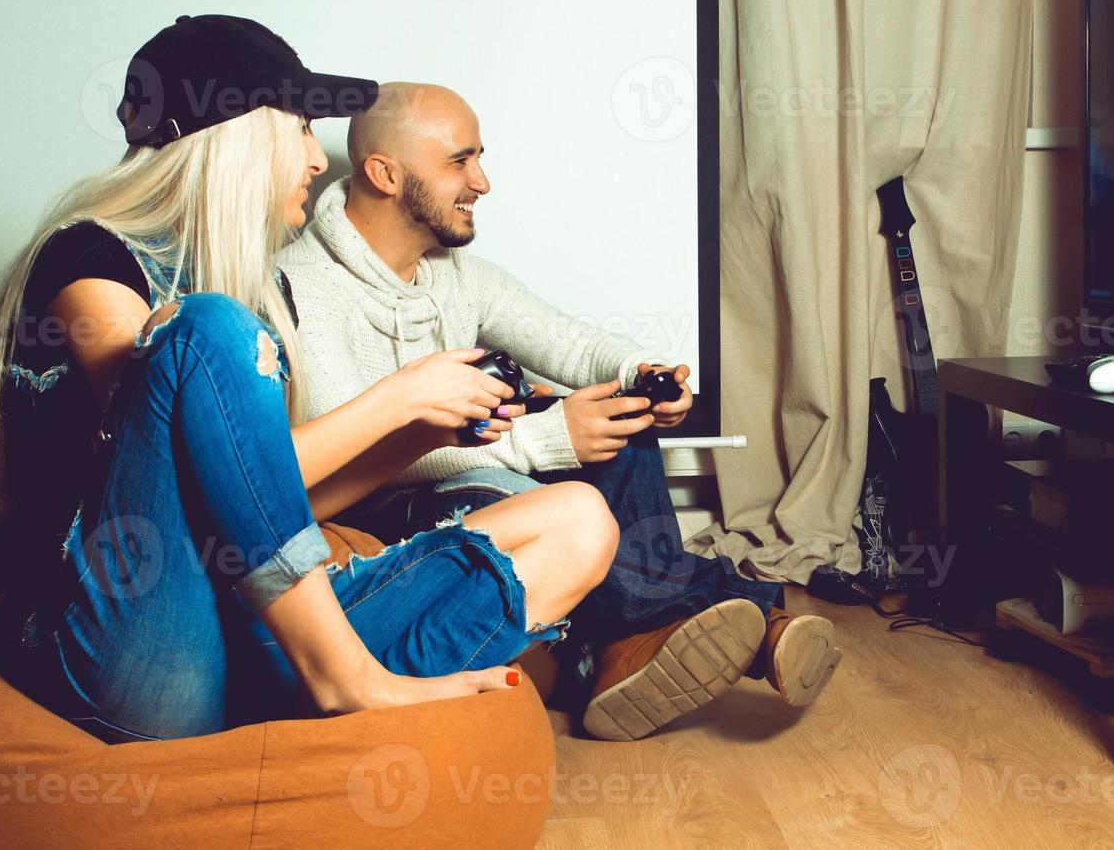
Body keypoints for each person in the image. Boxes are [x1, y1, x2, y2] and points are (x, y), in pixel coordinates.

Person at [0, 16, 619, 742]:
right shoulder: (90, 261)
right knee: (208, 328)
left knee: (577, 523)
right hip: (127, 646)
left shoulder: (262, 293)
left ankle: (329, 693)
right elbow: (185, 490)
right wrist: (395, 398)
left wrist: (416, 433)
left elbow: (269, 504)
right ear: (237, 136)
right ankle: (349, 681)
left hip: (250, 636)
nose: (319, 161)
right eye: (302, 129)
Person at [277, 82, 844, 741]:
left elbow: (570, 342)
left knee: (623, 427)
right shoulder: (297, 288)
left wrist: (642, 375)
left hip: (472, 478)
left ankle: (622, 653)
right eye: (460, 161)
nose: (482, 181)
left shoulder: (455, 275)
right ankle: (747, 617)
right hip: (381, 511)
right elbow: (350, 459)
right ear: (383, 173)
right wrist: (544, 439)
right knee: (526, 475)